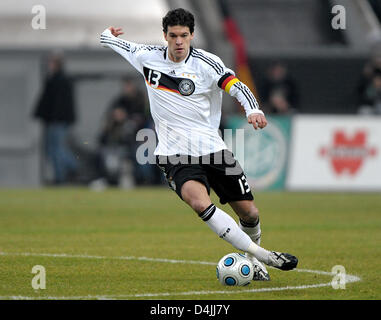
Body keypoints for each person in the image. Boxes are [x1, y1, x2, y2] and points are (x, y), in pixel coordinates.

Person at [100, 8, 298, 280]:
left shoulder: (208, 64)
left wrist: (254, 109)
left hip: (213, 151)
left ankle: (253, 258)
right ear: (165, 36)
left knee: (249, 212)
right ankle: (265, 257)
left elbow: (236, 86)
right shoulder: (147, 57)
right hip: (174, 154)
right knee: (199, 203)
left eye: (184, 35)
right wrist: (107, 34)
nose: (178, 41)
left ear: (192, 35)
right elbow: (115, 42)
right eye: (173, 36)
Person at [33, 53, 78, 185]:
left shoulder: (60, 80)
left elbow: (58, 104)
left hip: (57, 121)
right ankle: (62, 174)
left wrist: (52, 117)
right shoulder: (55, 79)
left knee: (57, 149)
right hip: (54, 121)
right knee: (53, 149)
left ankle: (66, 173)